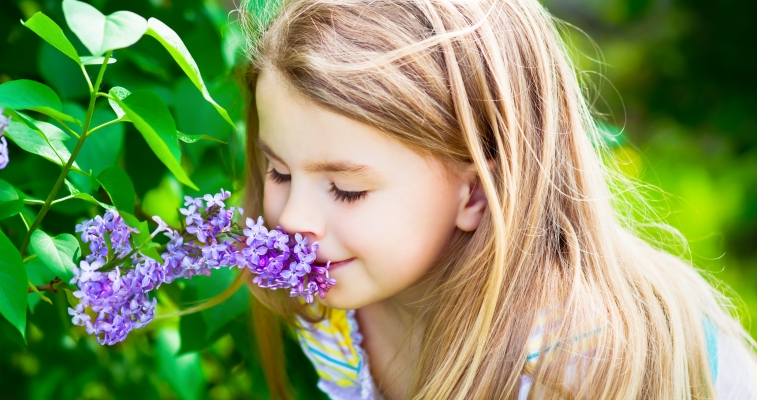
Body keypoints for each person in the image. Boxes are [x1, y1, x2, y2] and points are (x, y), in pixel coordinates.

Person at [236, 0, 757, 398]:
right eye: (278, 171)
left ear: (477, 193)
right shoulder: (332, 308)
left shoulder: (572, 369)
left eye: (347, 191)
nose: (293, 219)